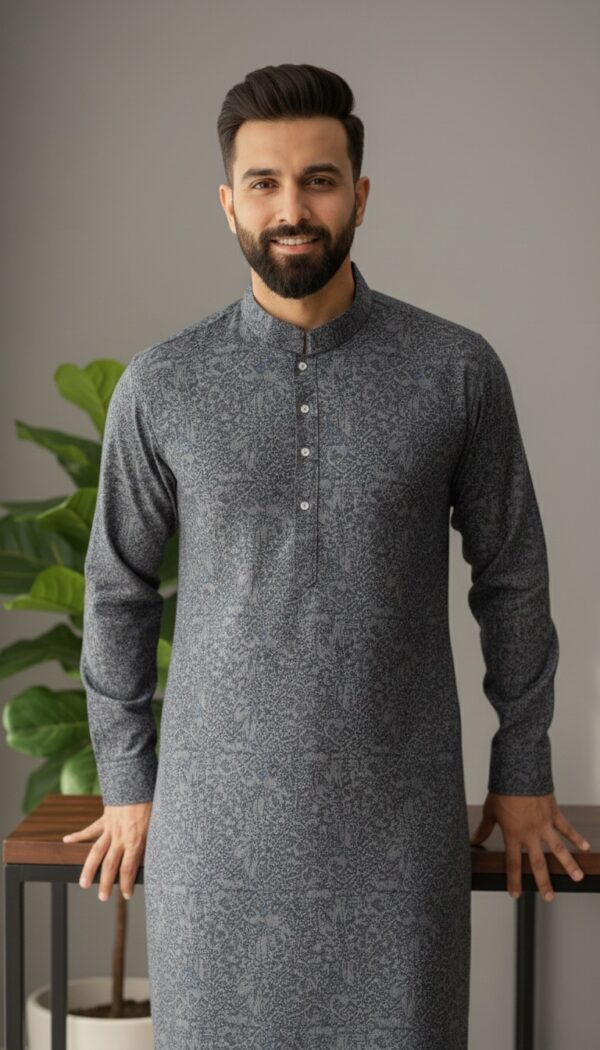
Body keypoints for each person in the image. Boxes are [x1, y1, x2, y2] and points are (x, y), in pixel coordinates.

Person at [65, 63, 590, 1049]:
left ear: (360, 194)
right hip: (214, 846)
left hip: (400, 842)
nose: (292, 209)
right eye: (264, 182)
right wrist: (128, 780)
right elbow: (116, 589)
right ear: (229, 203)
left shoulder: (455, 371)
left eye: (319, 180)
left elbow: (512, 574)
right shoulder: (163, 384)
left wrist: (523, 766)